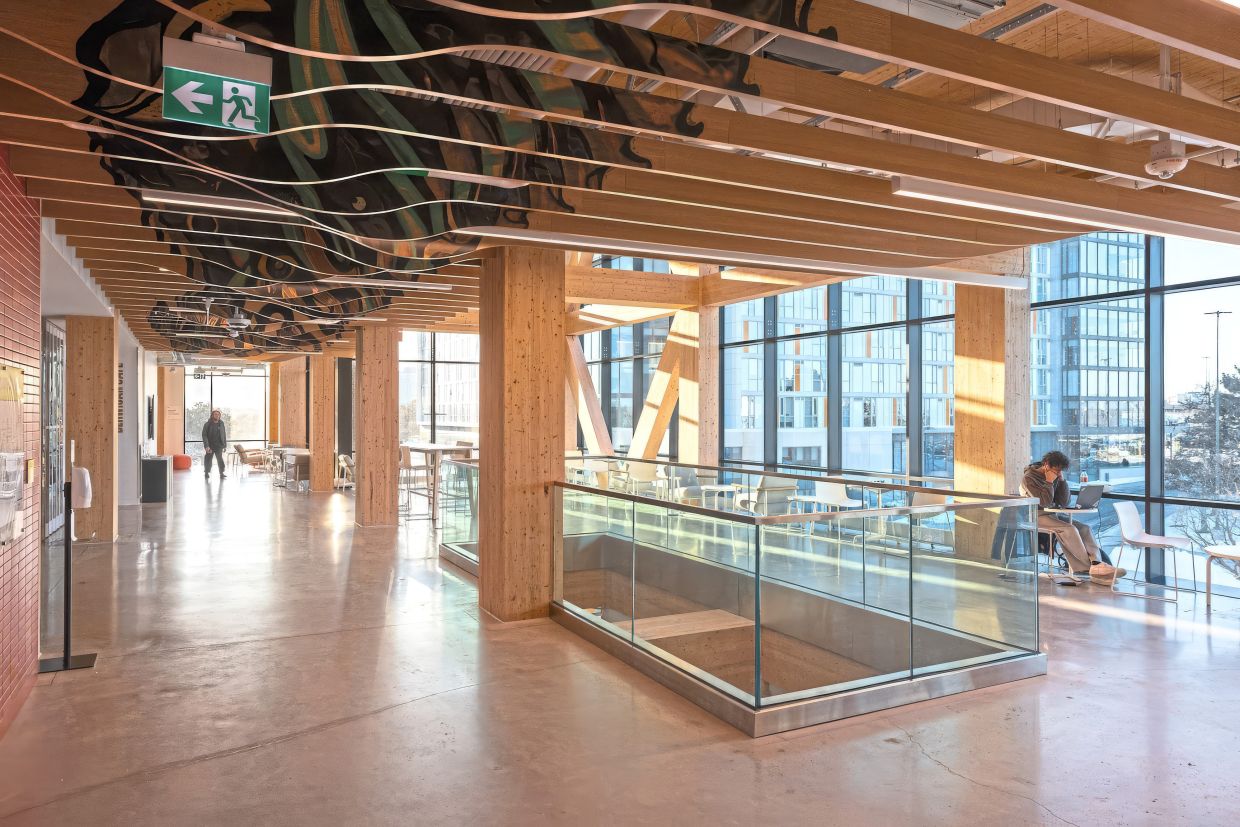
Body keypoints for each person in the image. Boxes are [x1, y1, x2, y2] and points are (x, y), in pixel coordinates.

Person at [1020, 451, 1122, 584]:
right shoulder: (1029, 478)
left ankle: (1097, 563)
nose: (1057, 473)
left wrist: (1062, 481)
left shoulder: (1056, 476)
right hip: (1035, 516)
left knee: (1084, 528)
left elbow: (1064, 502)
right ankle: (1087, 569)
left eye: (1060, 471)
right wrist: (1049, 482)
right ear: (1046, 465)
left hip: (1052, 514)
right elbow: (1044, 502)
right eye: (1056, 470)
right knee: (1069, 529)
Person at [202, 409, 228, 480]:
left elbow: (224, 435)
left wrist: (224, 445)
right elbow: (204, 435)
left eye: (218, 414)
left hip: (219, 445)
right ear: (212, 415)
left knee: (220, 459)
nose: (217, 416)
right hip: (210, 445)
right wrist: (207, 446)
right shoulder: (207, 424)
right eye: (215, 414)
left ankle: (221, 473)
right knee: (208, 459)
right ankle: (206, 472)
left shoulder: (221, 423)